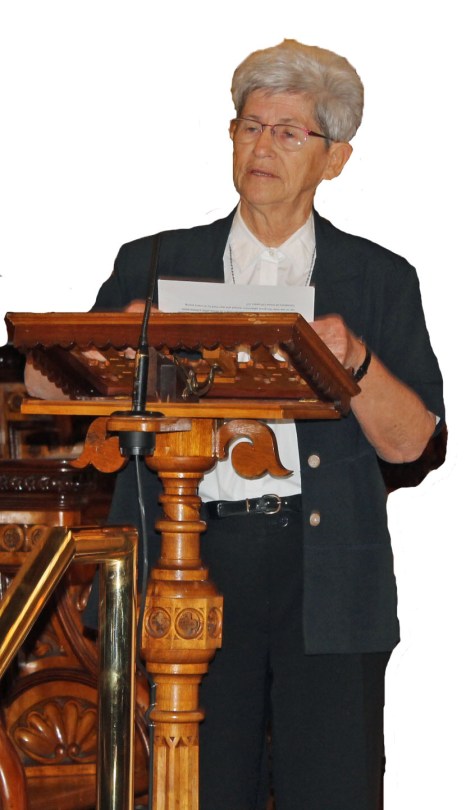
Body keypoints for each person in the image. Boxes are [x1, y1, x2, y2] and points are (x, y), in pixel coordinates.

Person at [29, 39, 445, 810]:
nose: (263, 146)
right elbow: (37, 381)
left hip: (324, 573)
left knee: (333, 792)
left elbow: (413, 442)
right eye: (250, 126)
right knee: (199, 791)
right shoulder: (154, 261)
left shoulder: (379, 278)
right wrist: (110, 344)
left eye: (289, 132)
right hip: (187, 560)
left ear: (335, 158)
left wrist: (354, 361)